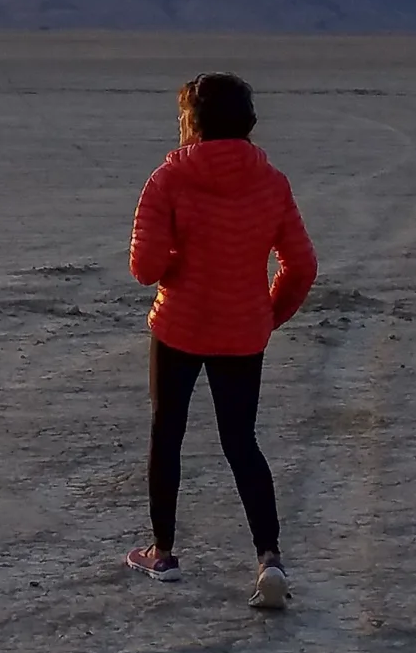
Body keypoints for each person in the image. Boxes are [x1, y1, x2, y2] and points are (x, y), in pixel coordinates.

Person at [124, 72, 316, 608]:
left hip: (180, 324)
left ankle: (162, 553)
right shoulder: (271, 182)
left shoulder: (168, 180)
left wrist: (181, 260)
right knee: (241, 442)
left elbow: (144, 268)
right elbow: (301, 265)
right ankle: (269, 557)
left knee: (168, 434)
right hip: (242, 330)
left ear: (193, 121)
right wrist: (267, 314)